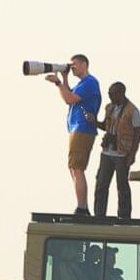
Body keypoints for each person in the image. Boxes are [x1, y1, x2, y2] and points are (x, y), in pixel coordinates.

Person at [44, 55, 101, 214]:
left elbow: (69, 99)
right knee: (74, 167)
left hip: (82, 129)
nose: (72, 67)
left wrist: (58, 83)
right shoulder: (83, 84)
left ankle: (82, 207)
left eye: (74, 65)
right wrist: (64, 79)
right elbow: (69, 94)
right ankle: (81, 204)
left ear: (84, 64)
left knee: (77, 167)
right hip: (77, 128)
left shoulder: (90, 82)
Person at [94, 80, 140, 220]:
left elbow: (137, 133)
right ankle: (99, 215)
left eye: (112, 94)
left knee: (122, 186)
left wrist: (132, 154)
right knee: (101, 184)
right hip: (107, 152)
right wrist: (94, 122)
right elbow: (105, 126)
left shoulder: (133, 111)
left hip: (122, 153)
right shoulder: (109, 108)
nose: (110, 97)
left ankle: (124, 216)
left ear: (120, 93)